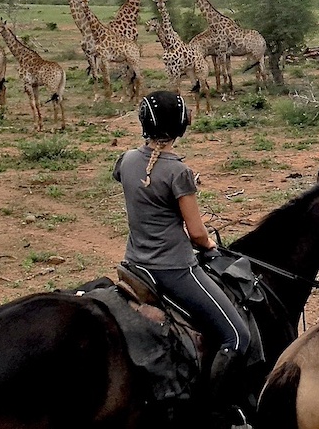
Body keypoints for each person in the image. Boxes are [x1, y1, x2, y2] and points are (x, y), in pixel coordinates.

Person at [113, 90, 251, 428]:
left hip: (135, 264)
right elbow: (198, 234)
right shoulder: (178, 172)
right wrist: (210, 249)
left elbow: (135, 179)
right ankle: (215, 409)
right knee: (237, 336)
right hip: (173, 269)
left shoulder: (127, 161)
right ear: (180, 127)